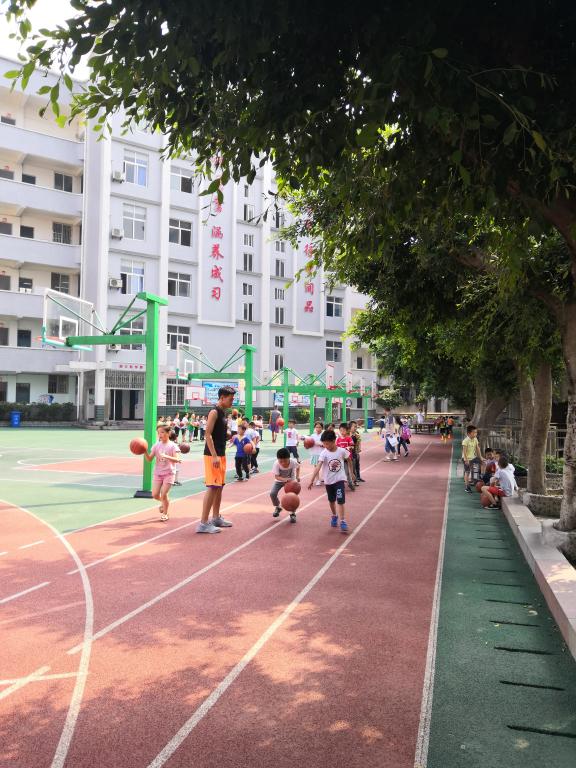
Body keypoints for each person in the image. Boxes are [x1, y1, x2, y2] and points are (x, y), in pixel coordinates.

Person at [197, 386, 236, 533]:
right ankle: (203, 523)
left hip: (221, 453)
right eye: (230, 399)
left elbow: (217, 433)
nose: (232, 401)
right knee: (212, 487)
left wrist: (226, 435)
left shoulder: (223, 412)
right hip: (212, 455)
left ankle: (215, 518)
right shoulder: (214, 412)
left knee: (219, 487)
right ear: (222, 398)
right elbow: (207, 434)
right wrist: (214, 455)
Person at [308, 428, 354, 533]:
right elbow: (318, 466)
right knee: (331, 501)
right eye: (324, 444)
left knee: (340, 500)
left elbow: (349, 460)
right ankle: (334, 515)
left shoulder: (342, 451)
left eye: (327, 444)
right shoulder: (324, 453)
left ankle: (342, 520)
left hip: (339, 480)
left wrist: (352, 473)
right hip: (328, 481)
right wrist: (312, 480)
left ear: (334, 441)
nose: (325, 446)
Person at [145, 425, 181, 521]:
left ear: (168, 433)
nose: (159, 434)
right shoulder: (156, 445)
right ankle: (165, 502)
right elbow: (149, 459)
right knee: (155, 495)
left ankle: (165, 513)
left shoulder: (173, 446)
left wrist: (166, 456)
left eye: (162, 432)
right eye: (158, 433)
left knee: (164, 494)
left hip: (169, 473)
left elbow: (177, 459)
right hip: (158, 473)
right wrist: (144, 451)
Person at [269, 447, 301, 522]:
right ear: (278, 459)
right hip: (279, 481)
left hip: (291, 482)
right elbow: (276, 476)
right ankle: (278, 507)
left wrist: (297, 476)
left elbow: (298, 467)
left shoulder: (293, 462)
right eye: (281, 461)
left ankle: (292, 513)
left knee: (292, 498)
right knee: (272, 493)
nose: (283, 463)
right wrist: (285, 479)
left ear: (289, 458)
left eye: (285, 461)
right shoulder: (276, 464)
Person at [462, 423, 483, 493]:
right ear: (468, 433)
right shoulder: (465, 441)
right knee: (467, 472)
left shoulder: (475, 439)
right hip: (466, 458)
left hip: (473, 458)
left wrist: (481, 457)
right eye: (474, 432)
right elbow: (464, 451)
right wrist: (466, 460)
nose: (475, 434)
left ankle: (475, 482)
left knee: (476, 470)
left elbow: (477, 449)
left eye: (476, 432)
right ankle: (467, 487)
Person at [336, 422, 357, 489]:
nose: (342, 432)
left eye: (344, 430)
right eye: (341, 430)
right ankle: (341, 484)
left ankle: (350, 483)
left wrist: (349, 447)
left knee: (348, 472)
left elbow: (352, 446)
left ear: (347, 430)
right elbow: (336, 448)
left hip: (348, 458)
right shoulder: (338, 439)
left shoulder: (349, 438)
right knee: (341, 472)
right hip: (341, 458)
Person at [307, 421, 325, 485]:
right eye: (316, 427)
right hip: (315, 453)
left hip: (323, 453)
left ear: (322, 428)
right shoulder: (312, 435)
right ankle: (317, 480)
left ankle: (325, 478)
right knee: (316, 467)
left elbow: (326, 444)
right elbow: (309, 444)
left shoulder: (324, 435)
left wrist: (320, 444)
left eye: (319, 427)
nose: (318, 428)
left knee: (325, 467)